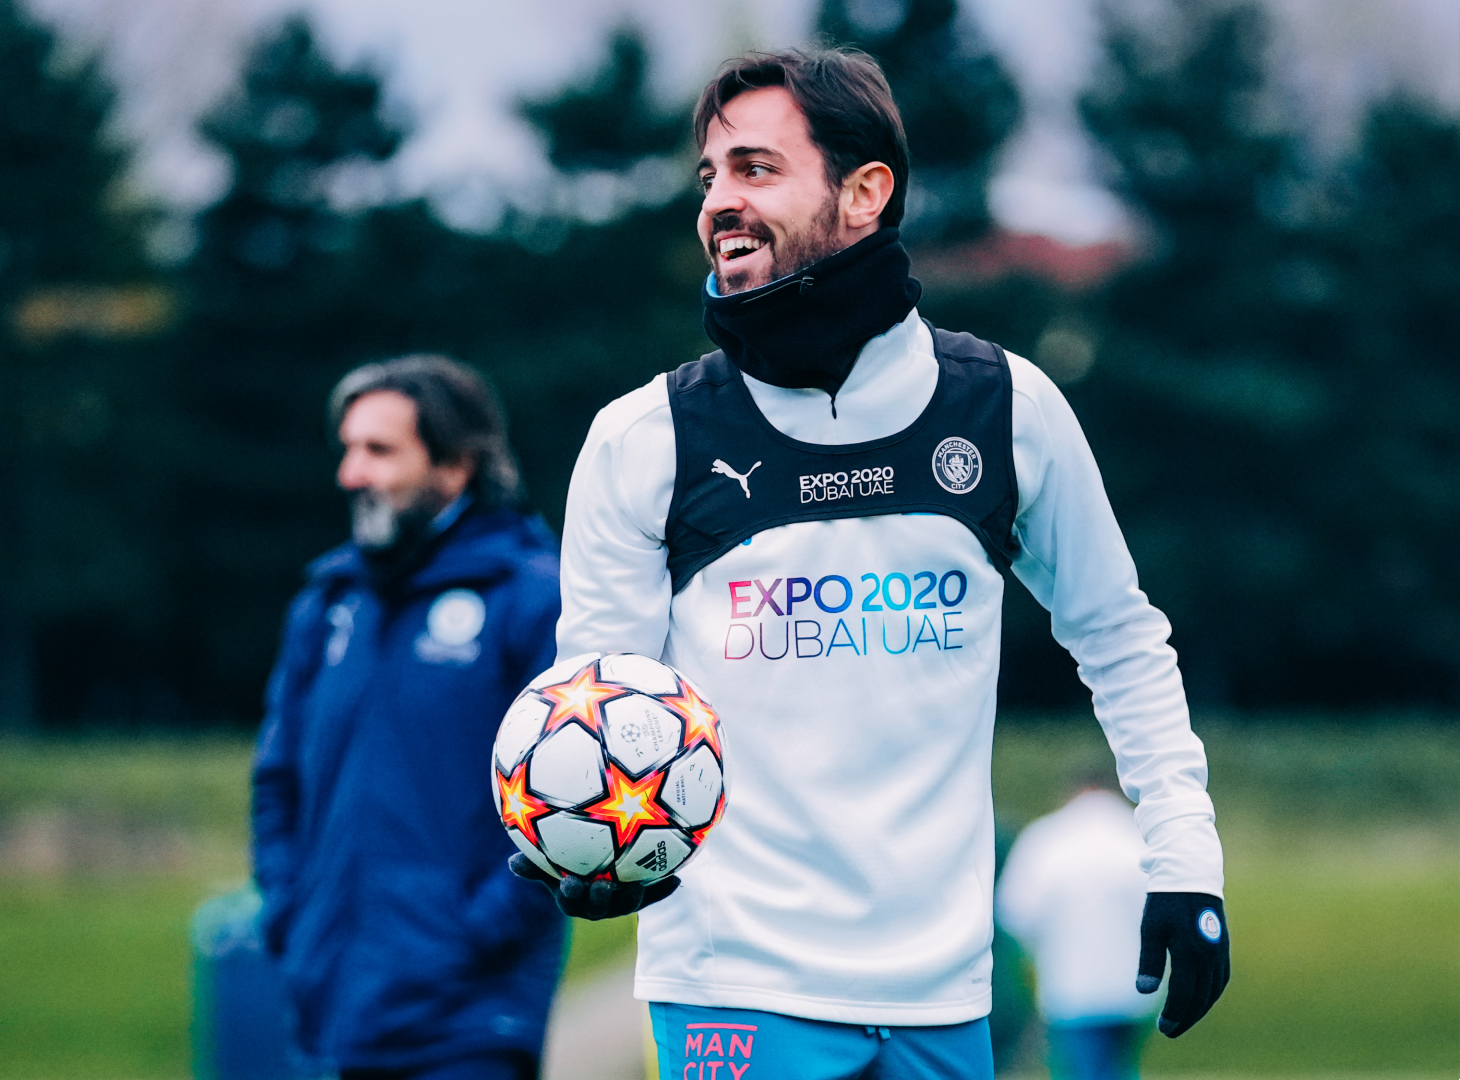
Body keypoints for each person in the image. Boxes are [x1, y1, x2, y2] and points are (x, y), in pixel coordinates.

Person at [519, 47, 1230, 1078]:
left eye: (756, 170)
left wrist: (1185, 860)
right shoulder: (644, 439)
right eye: (710, 176)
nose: (720, 201)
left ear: (864, 193)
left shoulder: (1006, 408)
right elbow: (601, 703)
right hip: (732, 987)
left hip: (943, 997)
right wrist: (584, 840)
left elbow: (1121, 637)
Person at [251, 356, 567, 1080]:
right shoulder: (328, 602)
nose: (351, 473)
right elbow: (276, 780)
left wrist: (465, 938)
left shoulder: (531, 599)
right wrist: (289, 915)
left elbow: (569, 809)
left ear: (456, 466)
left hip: (467, 1026)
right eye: (348, 449)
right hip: (329, 1009)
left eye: (379, 450)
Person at [996, 768, 1158, 1080]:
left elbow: (1015, 914)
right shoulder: (1140, 837)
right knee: (1118, 1067)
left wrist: (1038, 954)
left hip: (1071, 985)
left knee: (1080, 1070)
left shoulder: (1047, 838)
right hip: (1135, 988)